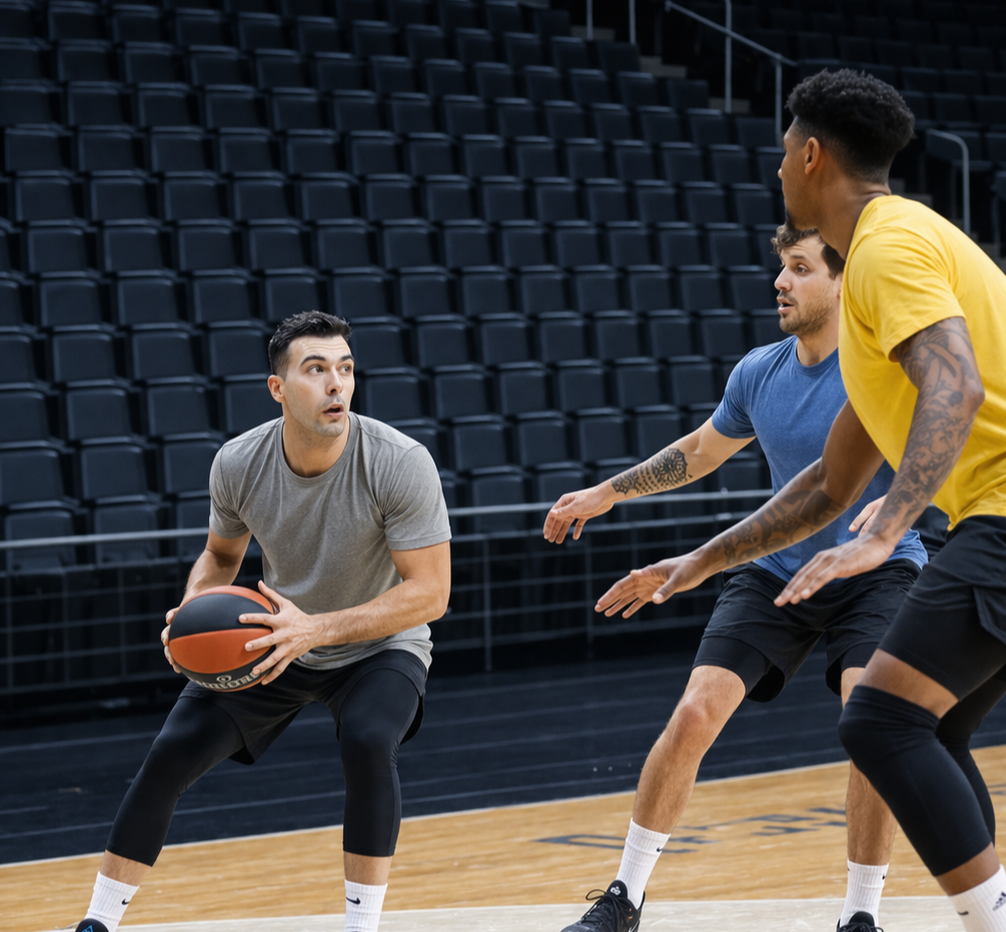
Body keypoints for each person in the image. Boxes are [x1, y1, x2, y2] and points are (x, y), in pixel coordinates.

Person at [595, 69, 1006, 932]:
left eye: (782, 154)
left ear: (810, 156)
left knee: (877, 721)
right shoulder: (881, 282)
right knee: (929, 731)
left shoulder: (887, 246)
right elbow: (825, 485)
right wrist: (699, 561)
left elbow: (952, 390)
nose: (777, 169)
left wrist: (884, 532)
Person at [543, 224, 931, 932]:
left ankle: (860, 916)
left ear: (843, 282)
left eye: (798, 268)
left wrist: (904, 500)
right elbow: (698, 451)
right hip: (776, 567)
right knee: (693, 713)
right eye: (779, 268)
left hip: (874, 569)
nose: (780, 282)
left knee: (867, 719)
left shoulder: (880, 368)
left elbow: (944, 441)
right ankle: (623, 899)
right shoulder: (759, 369)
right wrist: (607, 492)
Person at [72, 311, 452, 932]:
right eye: (317, 369)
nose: (338, 384)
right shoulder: (238, 462)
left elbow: (431, 594)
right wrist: (194, 608)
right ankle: (97, 921)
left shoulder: (398, 462)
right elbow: (221, 556)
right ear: (278, 388)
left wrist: (319, 629)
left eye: (346, 369)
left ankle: (363, 927)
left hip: (378, 643)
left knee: (366, 741)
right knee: (170, 752)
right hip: (274, 635)